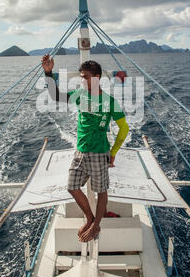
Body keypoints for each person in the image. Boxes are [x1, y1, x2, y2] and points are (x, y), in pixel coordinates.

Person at [41, 55, 129, 242]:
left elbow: (124, 128)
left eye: (86, 77)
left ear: (97, 77)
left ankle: (96, 225)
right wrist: (48, 73)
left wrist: (112, 153)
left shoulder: (109, 101)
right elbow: (55, 96)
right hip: (80, 151)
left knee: (101, 190)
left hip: (99, 152)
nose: (82, 80)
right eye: (81, 76)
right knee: (72, 187)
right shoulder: (80, 95)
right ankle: (89, 217)